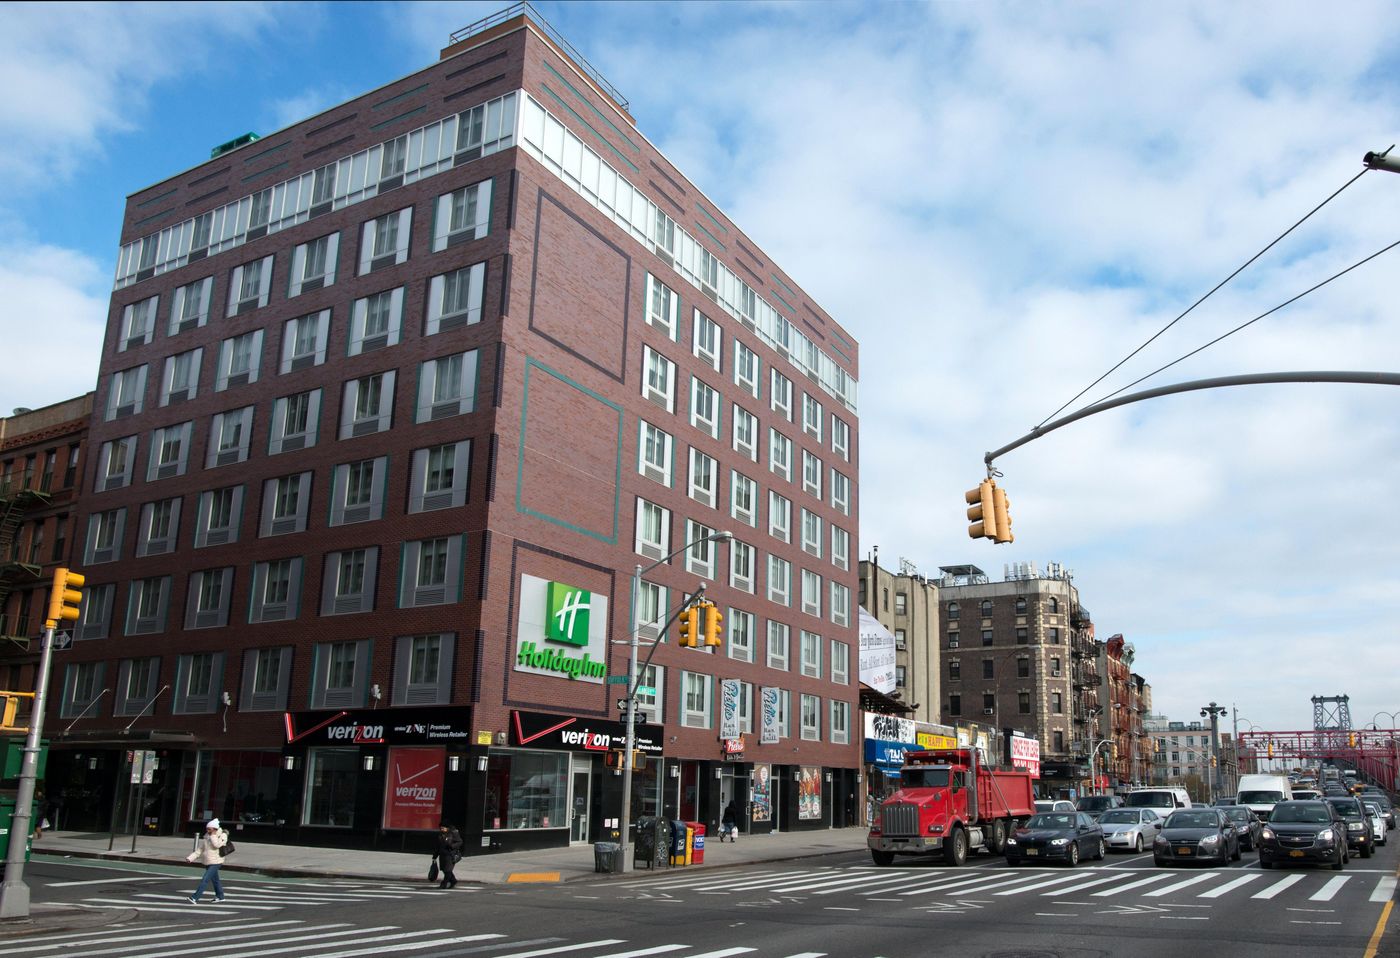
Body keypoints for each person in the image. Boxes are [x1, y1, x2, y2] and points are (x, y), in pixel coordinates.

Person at [185, 818, 229, 903]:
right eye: (207, 828)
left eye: (209, 829)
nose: (207, 830)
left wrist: (213, 835)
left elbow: (217, 845)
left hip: (216, 861)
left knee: (205, 879)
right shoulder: (207, 836)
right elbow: (200, 849)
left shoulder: (222, 835)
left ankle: (195, 898)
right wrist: (190, 858)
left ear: (214, 828)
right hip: (208, 861)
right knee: (215, 880)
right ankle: (220, 896)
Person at [435, 822, 463, 888]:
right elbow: (438, 846)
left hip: (450, 854)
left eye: (443, 828)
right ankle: (453, 880)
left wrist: (452, 846)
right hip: (442, 854)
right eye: (441, 828)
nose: (441, 829)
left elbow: (460, 842)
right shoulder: (440, 834)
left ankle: (444, 884)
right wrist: (435, 855)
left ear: (447, 828)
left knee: (448, 870)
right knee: (444, 869)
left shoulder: (453, 833)